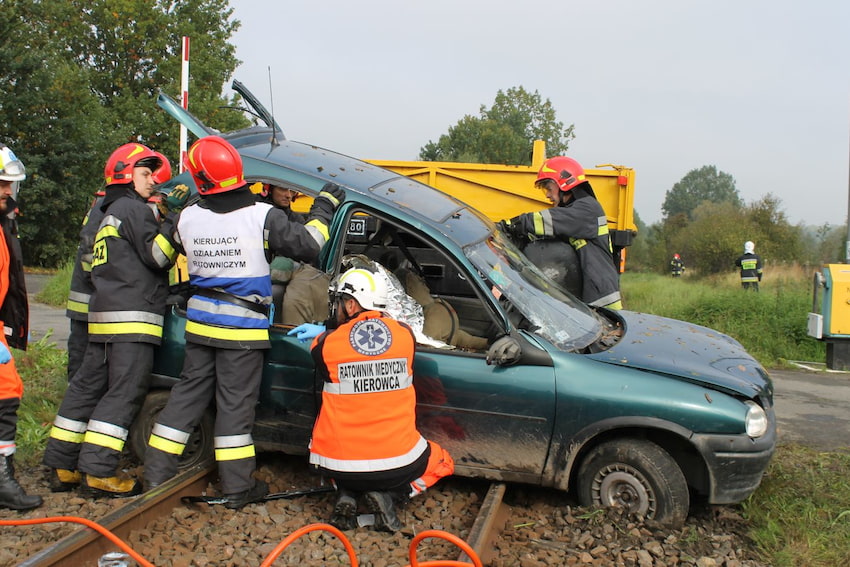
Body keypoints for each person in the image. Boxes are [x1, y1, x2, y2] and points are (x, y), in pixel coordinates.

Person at [143, 136, 343, 510]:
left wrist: (172, 213)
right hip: (242, 332)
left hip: (200, 328)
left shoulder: (188, 216)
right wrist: (325, 207)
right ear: (238, 173)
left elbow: (156, 258)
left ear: (201, 180)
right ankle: (236, 488)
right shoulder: (262, 216)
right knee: (235, 408)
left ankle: (155, 473)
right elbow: (310, 245)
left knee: (185, 400)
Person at [43, 143, 179, 497]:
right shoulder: (133, 210)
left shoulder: (105, 211)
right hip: (131, 321)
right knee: (124, 391)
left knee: (86, 389)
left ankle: (62, 463)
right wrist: (176, 220)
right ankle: (98, 472)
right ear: (125, 174)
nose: (153, 181)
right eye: (146, 174)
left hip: (103, 318)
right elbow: (158, 257)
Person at [288, 267, 455, 532]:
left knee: (341, 458)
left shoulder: (325, 345)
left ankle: (346, 492)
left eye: (340, 302)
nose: (337, 308)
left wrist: (325, 329)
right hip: (397, 465)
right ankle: (392, 497)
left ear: (352, 304)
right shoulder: (405, 336)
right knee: (443, 460)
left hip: (338, 466)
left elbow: (331, 346)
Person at [65, 153, 171, 380]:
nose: (152, 185)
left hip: (102, 297)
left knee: (93, 372)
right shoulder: (115, 206)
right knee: (84, 366)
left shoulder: (123, 204)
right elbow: (91, 252)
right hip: (90, 298)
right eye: (147, 176)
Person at [497, 156, 623, 310]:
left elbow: (544, 220)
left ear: (565, 183)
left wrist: (510, 225)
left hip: (602, 301)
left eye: (549, 188)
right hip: (592, 297)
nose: (547, 195)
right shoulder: (575, 212)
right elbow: (545, 236)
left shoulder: (587, 209)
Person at [0, 144, 42, 510]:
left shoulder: (4, 224)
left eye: (9, 185)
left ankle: (3, 479)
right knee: (5, 397)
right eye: (1, 184)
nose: (7, 191)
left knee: (7, 395)